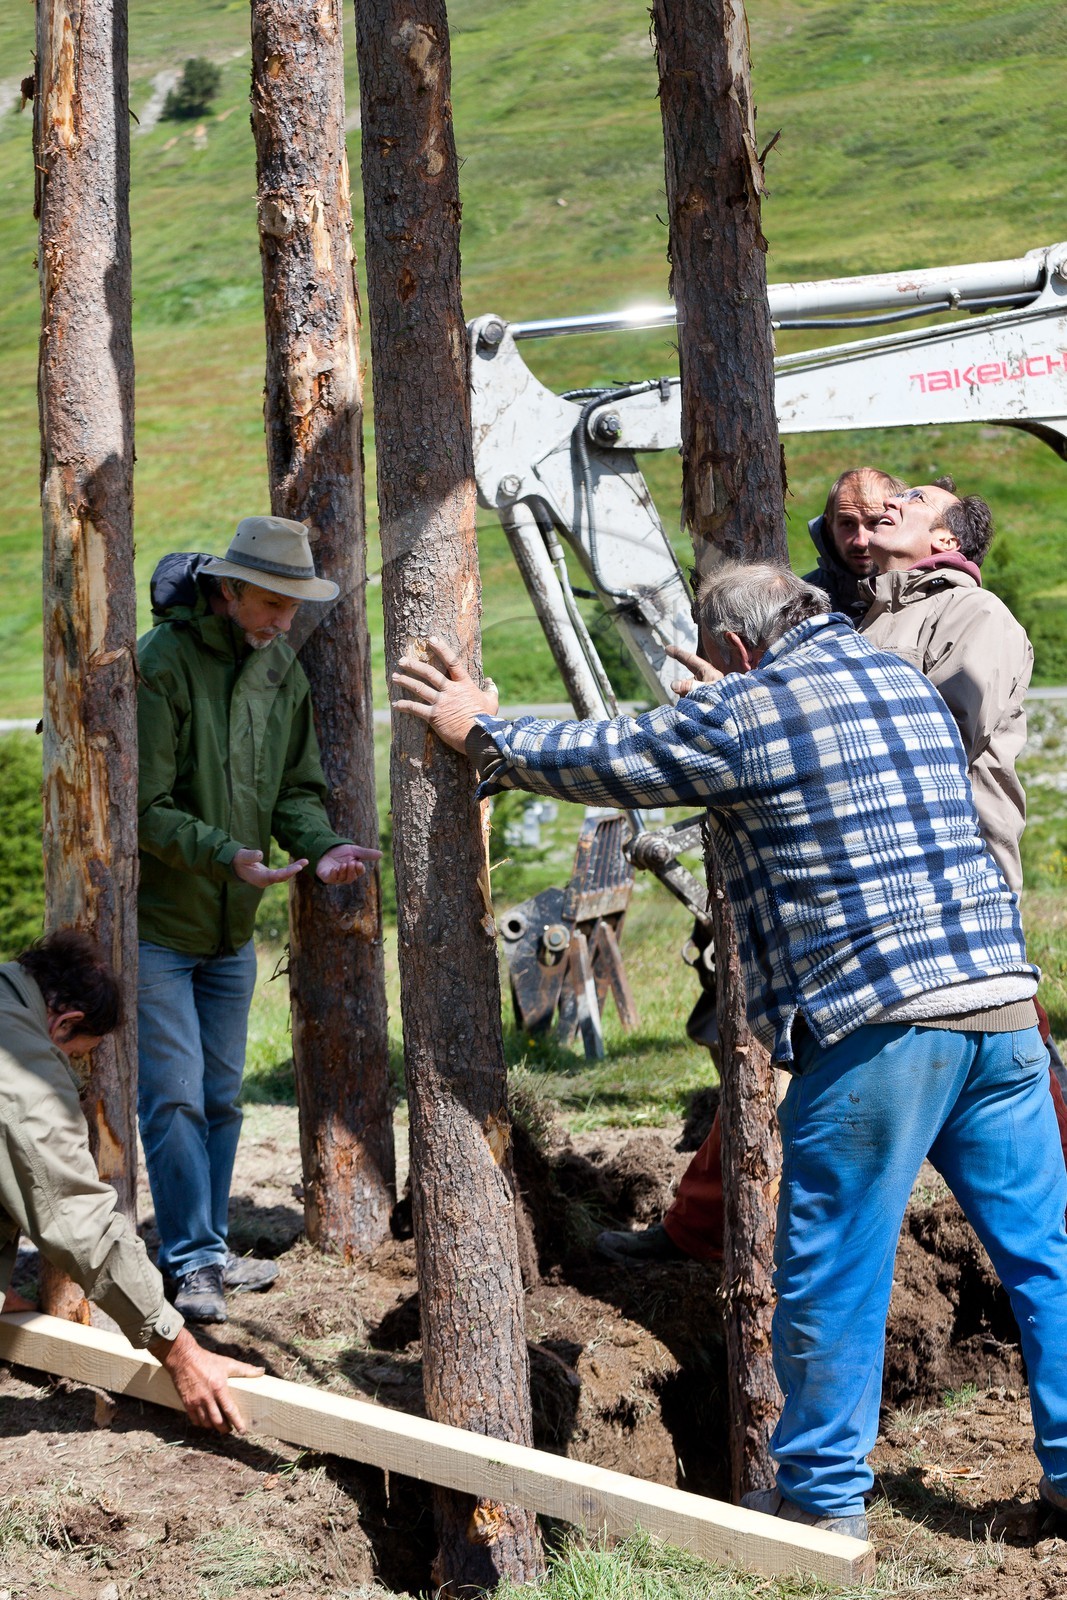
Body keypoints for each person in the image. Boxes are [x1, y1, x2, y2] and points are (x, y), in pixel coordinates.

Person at [391, 564, 1067, 1539]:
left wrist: (479, 728)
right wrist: (729, 699)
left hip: (882, 1026)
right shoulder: (898, 680)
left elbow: (609, 757)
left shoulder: (748, 712)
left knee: (831, 1268)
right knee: (1043, 1258)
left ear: (737, 652)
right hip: (1003, 1012)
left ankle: (820, 1503)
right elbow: (804, 755)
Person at [137, 516, 381, 1325]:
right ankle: (193, 1261)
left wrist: (321, 849)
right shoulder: (160, 662)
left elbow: (295, 794)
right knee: (172, 1097)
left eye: (293, 605)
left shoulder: (282, 669)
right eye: (273, 604)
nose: (285, 622)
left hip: (230, 930)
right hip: (157, 926)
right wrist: (226, 855)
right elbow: (143, 808)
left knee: (223, 1097)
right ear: (229, 589)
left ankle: (200, 1247)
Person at [0, 930, 262, 1433]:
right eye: (80, 1053)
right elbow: (80, 1221)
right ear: (65, 1022)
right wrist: (181, 1351)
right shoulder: (23, 1071)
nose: (75, 1065)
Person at [803, 466, 907, 620]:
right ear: (829, 527)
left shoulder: (927, 593)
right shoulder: (802, 602)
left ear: (901, 523)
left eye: (874, 523)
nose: (861, 541)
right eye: (847, 523)